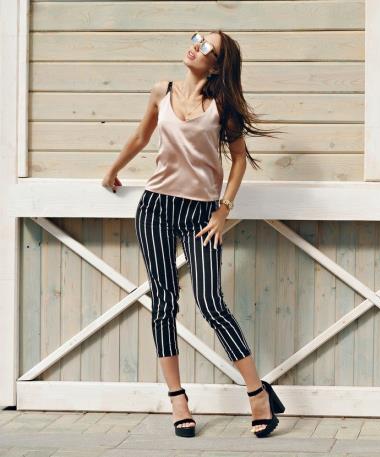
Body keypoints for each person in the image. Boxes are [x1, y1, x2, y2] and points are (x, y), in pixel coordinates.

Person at [101, 30, 284, 439]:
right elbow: (141, 137)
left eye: (207, 47)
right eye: (197, 38)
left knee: (210, 302)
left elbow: (239, 160)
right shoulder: (161, 92)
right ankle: (177, 398)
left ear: (216, 66)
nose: (196, 46)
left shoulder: (223, 107)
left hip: (201, 213)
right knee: (163, 301)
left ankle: (257, 393)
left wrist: (224, 209)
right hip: (155, 209)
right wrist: (112, 170)